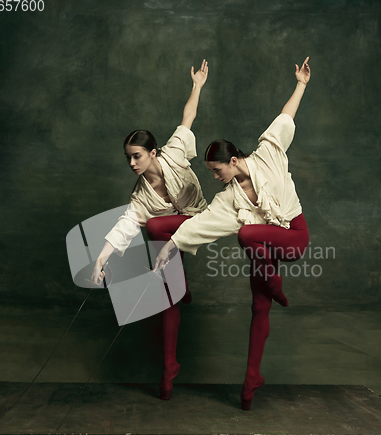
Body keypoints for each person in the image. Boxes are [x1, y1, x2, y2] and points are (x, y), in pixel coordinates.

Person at [154, 57, 311, 410]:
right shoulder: (228, 200)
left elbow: (286, 118)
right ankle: (250, 382)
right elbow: (202, 224)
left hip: (292, 238)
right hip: (263, 254)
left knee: (245, 236)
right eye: (210, 172)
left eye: (216, 170)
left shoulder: (269, 152)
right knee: (259, 307)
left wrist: (300, 84)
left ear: (235, 160)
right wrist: (170, 248)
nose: (214, 177)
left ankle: (275, 284)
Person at [91, 60, 209, 400]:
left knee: (157, 226)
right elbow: (125, 226)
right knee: (167, 292)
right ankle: (169, 365)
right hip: (172, 239)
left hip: (199, 221)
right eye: (128, 158)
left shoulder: (174, 152)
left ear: (154, 152)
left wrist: (197, 85)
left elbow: (187, 118)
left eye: (137, 156)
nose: (132, 164)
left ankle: (177, 282)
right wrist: (101, 258)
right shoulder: (140, 195)